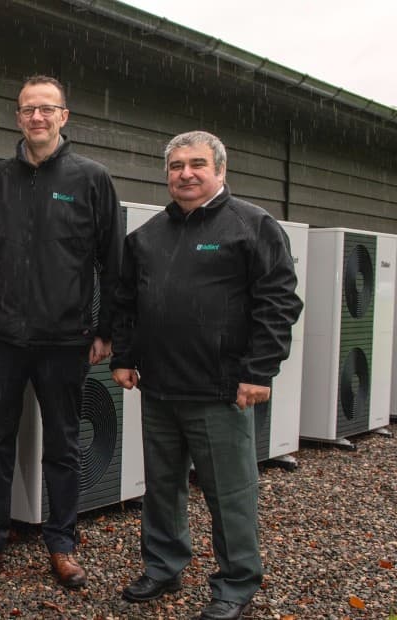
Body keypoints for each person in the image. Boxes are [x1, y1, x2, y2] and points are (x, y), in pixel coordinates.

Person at [0, 75, 122, 588]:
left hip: (65, 341)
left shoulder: (92, 179)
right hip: (0, 338)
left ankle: (62, 544)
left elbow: (112, 261)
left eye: (46, 109)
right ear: (18, 117)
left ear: (64, 116)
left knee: (63, 444)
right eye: (28, 109)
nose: (37, 117)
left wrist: (106, 330)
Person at [110, 131, 302, 620]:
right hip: (159, 388)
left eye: (197, 164)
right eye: (176, 166)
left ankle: (237, 583)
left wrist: (261, 370)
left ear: (220, 170)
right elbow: (127, 303)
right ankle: (163, 566)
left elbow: (278, 302)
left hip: (221, 391)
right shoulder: (147, 237)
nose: (186, 174)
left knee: (230, 493)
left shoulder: (252, 226)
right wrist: (124, 358)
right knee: (161, 486)